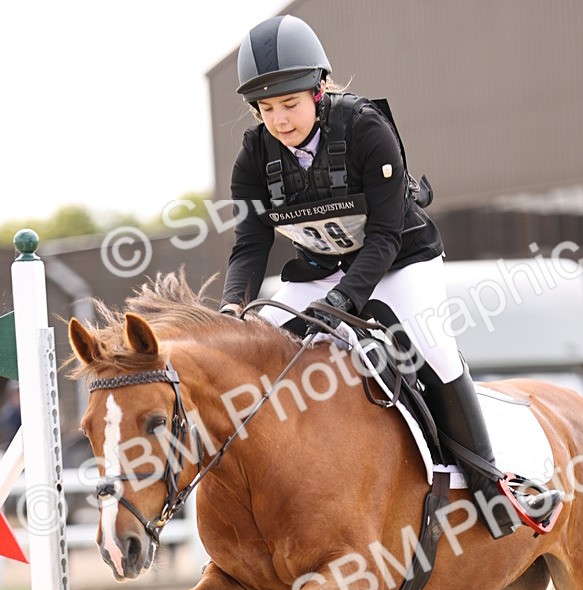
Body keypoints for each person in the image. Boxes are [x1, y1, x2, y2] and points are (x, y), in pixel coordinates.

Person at [221, 14, 563, 537]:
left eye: (289, 104)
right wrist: (232, 310)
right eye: (267, 109)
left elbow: (383, 237)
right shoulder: (252, 158)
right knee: (255, 356)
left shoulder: (364, 129)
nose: (280, 121)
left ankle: (491, 485)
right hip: (317, 271)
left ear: (317, 91)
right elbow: (250, 245)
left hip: (400, 259)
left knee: (436, 348)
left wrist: (341, 304)